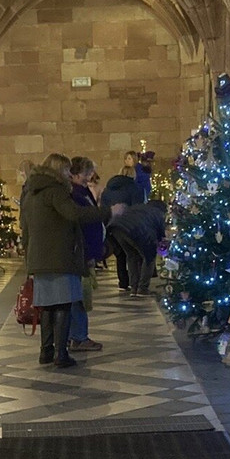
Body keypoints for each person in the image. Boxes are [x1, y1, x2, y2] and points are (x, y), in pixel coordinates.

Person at [20, 153, 123, 367]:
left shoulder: (30, 193)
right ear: (59, 169)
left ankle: (46, 352)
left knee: (47, 307)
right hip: (60, 256)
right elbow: (74, 214)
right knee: (63, 305)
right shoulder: (55, 191)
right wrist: (108, 212)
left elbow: (25, 229)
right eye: (67, 170)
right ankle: (61, 354)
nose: (69, 174)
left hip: (39, 258)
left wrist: (29, 260)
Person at [68, 156, 104, 352]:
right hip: (81, 252)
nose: (89, 176)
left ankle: (76, 335)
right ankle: (79, 336)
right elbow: (84, 220)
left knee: (82, 295)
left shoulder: (83, 191)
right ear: (74, 174)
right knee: (79, 296)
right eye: (85, 173)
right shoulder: (74, 194)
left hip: (87, 250)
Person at [106, 199, 167, 298]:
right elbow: (161, 234)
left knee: (132, 256)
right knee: (149, 257)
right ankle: (142, 288)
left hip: (116, 229)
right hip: (135, 230)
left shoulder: (139, 207)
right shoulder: (157, 212)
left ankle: (134, 288)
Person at [101, 169, 145, 291]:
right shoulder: (135, 188)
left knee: (120, 255)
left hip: (112, 225)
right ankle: (136, 283)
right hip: (129, 225)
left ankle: (123, 282)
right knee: (134, 254)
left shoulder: (107, 189)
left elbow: (103, 208)